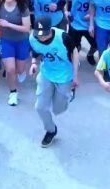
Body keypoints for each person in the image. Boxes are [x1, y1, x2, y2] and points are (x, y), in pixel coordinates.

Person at [29, 16, 79, 147]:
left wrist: (75, 76)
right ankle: (51, 130)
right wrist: (34, 63)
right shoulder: (33, 37)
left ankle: (68, 94)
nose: (42, 38)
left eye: (44, 35)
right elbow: (35, 50)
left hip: (65, 75)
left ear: (50, 29)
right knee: (40, 107)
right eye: (39, 35)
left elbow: (74, 52)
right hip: (46, 73)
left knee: (58, 109)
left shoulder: (63, 37)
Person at [0, 0, 32, 106]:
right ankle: (13, 93)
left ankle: (22, 71)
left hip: (22, 41)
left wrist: (8, 24)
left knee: (20, 69)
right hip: (6, 41)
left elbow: (26, 28)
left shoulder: (22, 8)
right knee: (10, 69)